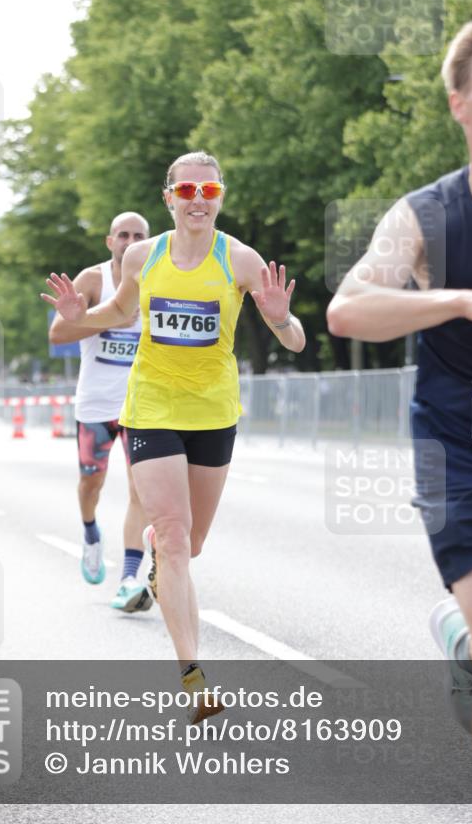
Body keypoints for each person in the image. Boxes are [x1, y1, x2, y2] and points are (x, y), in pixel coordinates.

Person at [326, 17, 472, 823]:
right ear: (458, 105)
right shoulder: (426, 217)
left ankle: (464, 643)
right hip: (465, 453)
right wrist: (459, 300)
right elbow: (348, 308)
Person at [42, 151, 306, 722]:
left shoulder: (240, 260)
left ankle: (162, 567)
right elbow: (114, 312)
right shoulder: (143, 255)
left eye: (207, 191)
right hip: (151, 408)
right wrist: (75, 315)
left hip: (212, 414)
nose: (196, 200)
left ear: (220, 197)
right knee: (174, 537)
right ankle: (193, 675)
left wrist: (282, 317)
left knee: (193, 543)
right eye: (186, 190)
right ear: (169, 197)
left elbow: (296, 343)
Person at [48, 211, 153, 614]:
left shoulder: (157, 278)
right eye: (123, 234)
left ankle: (128, 579)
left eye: (138, 235)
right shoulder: (93, 281)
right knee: (91, 483)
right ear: (110, 241)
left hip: (141, 407)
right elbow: (58, 333)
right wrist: (108, 317)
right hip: (95, 404)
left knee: (140, 491)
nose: (129, 241)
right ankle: (91, 533)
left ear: (146, 242)